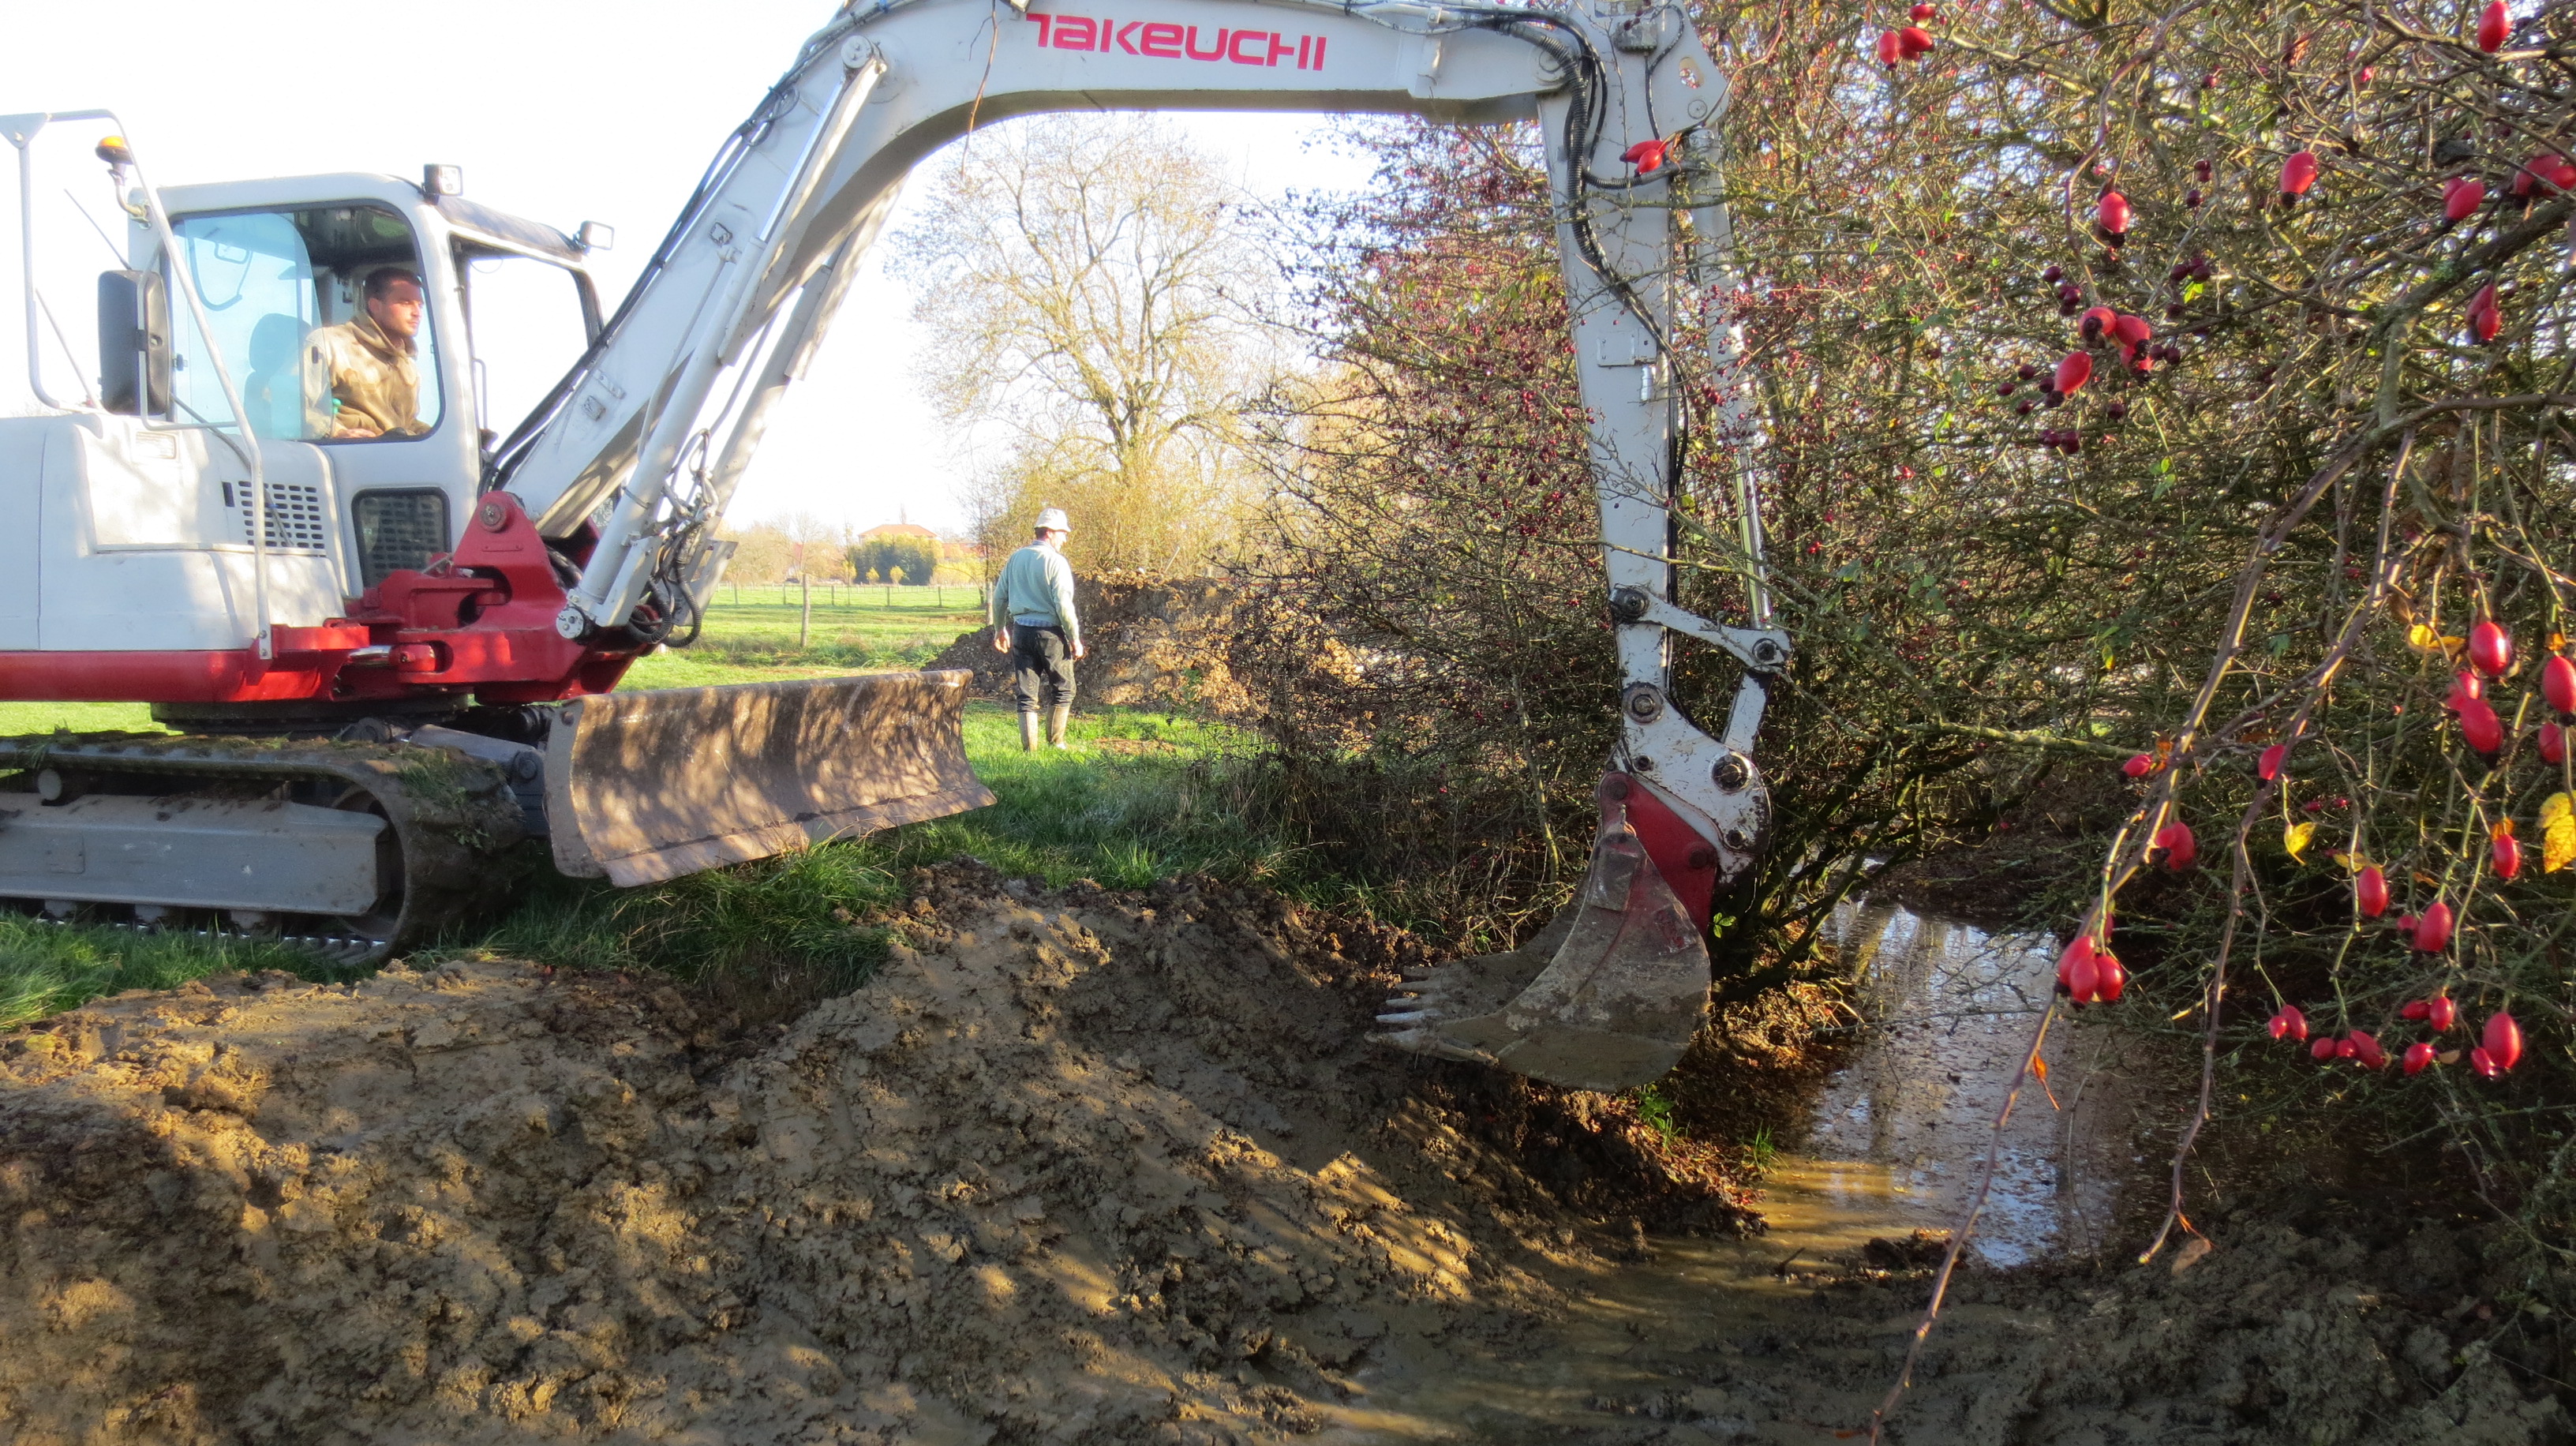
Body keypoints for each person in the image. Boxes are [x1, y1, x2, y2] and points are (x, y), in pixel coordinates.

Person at [989, 507, 1085, 751]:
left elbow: (999, 598)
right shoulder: (1056, 562)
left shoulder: (1016, 558)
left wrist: (1000, 629)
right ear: (1051, 532)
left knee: (1026, 692)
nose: (1065, 538)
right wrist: (1075, 639)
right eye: (1063, 533)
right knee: (1064, 688)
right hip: (1050, 634)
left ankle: (1029, 750)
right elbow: (1063, 605)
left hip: (1021, 631)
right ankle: (1057, 743)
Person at [302, 267, 430, 440]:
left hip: (396, 456)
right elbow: (289, 407)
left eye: (419, 305)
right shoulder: (330, 344)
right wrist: (336, 431)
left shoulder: (406, 363)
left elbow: (405, 423)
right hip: (350, 457)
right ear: (375, 306)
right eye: (405, 302)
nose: (417, 313)